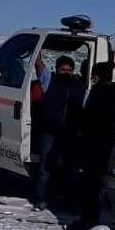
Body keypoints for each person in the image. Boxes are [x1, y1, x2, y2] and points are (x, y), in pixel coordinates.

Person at [67, 61, 115, 230]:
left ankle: (88, 222)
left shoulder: (99, 94)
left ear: (98, 76)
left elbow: (88, 122)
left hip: (93, 147)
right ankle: (90, 221)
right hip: (106, 147)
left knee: (90, 187)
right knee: (96, 186)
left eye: (94, 74)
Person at [33, 55, 86, 210]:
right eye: (62, 69)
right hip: (50, 132)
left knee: (70, 169)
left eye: (69, 69)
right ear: (56, 70)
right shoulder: (49, 80)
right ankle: (41, 200)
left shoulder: (80, 85)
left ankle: (69, 202)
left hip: (70, 134)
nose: (66, 72)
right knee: (45, 168)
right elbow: (38, 65)